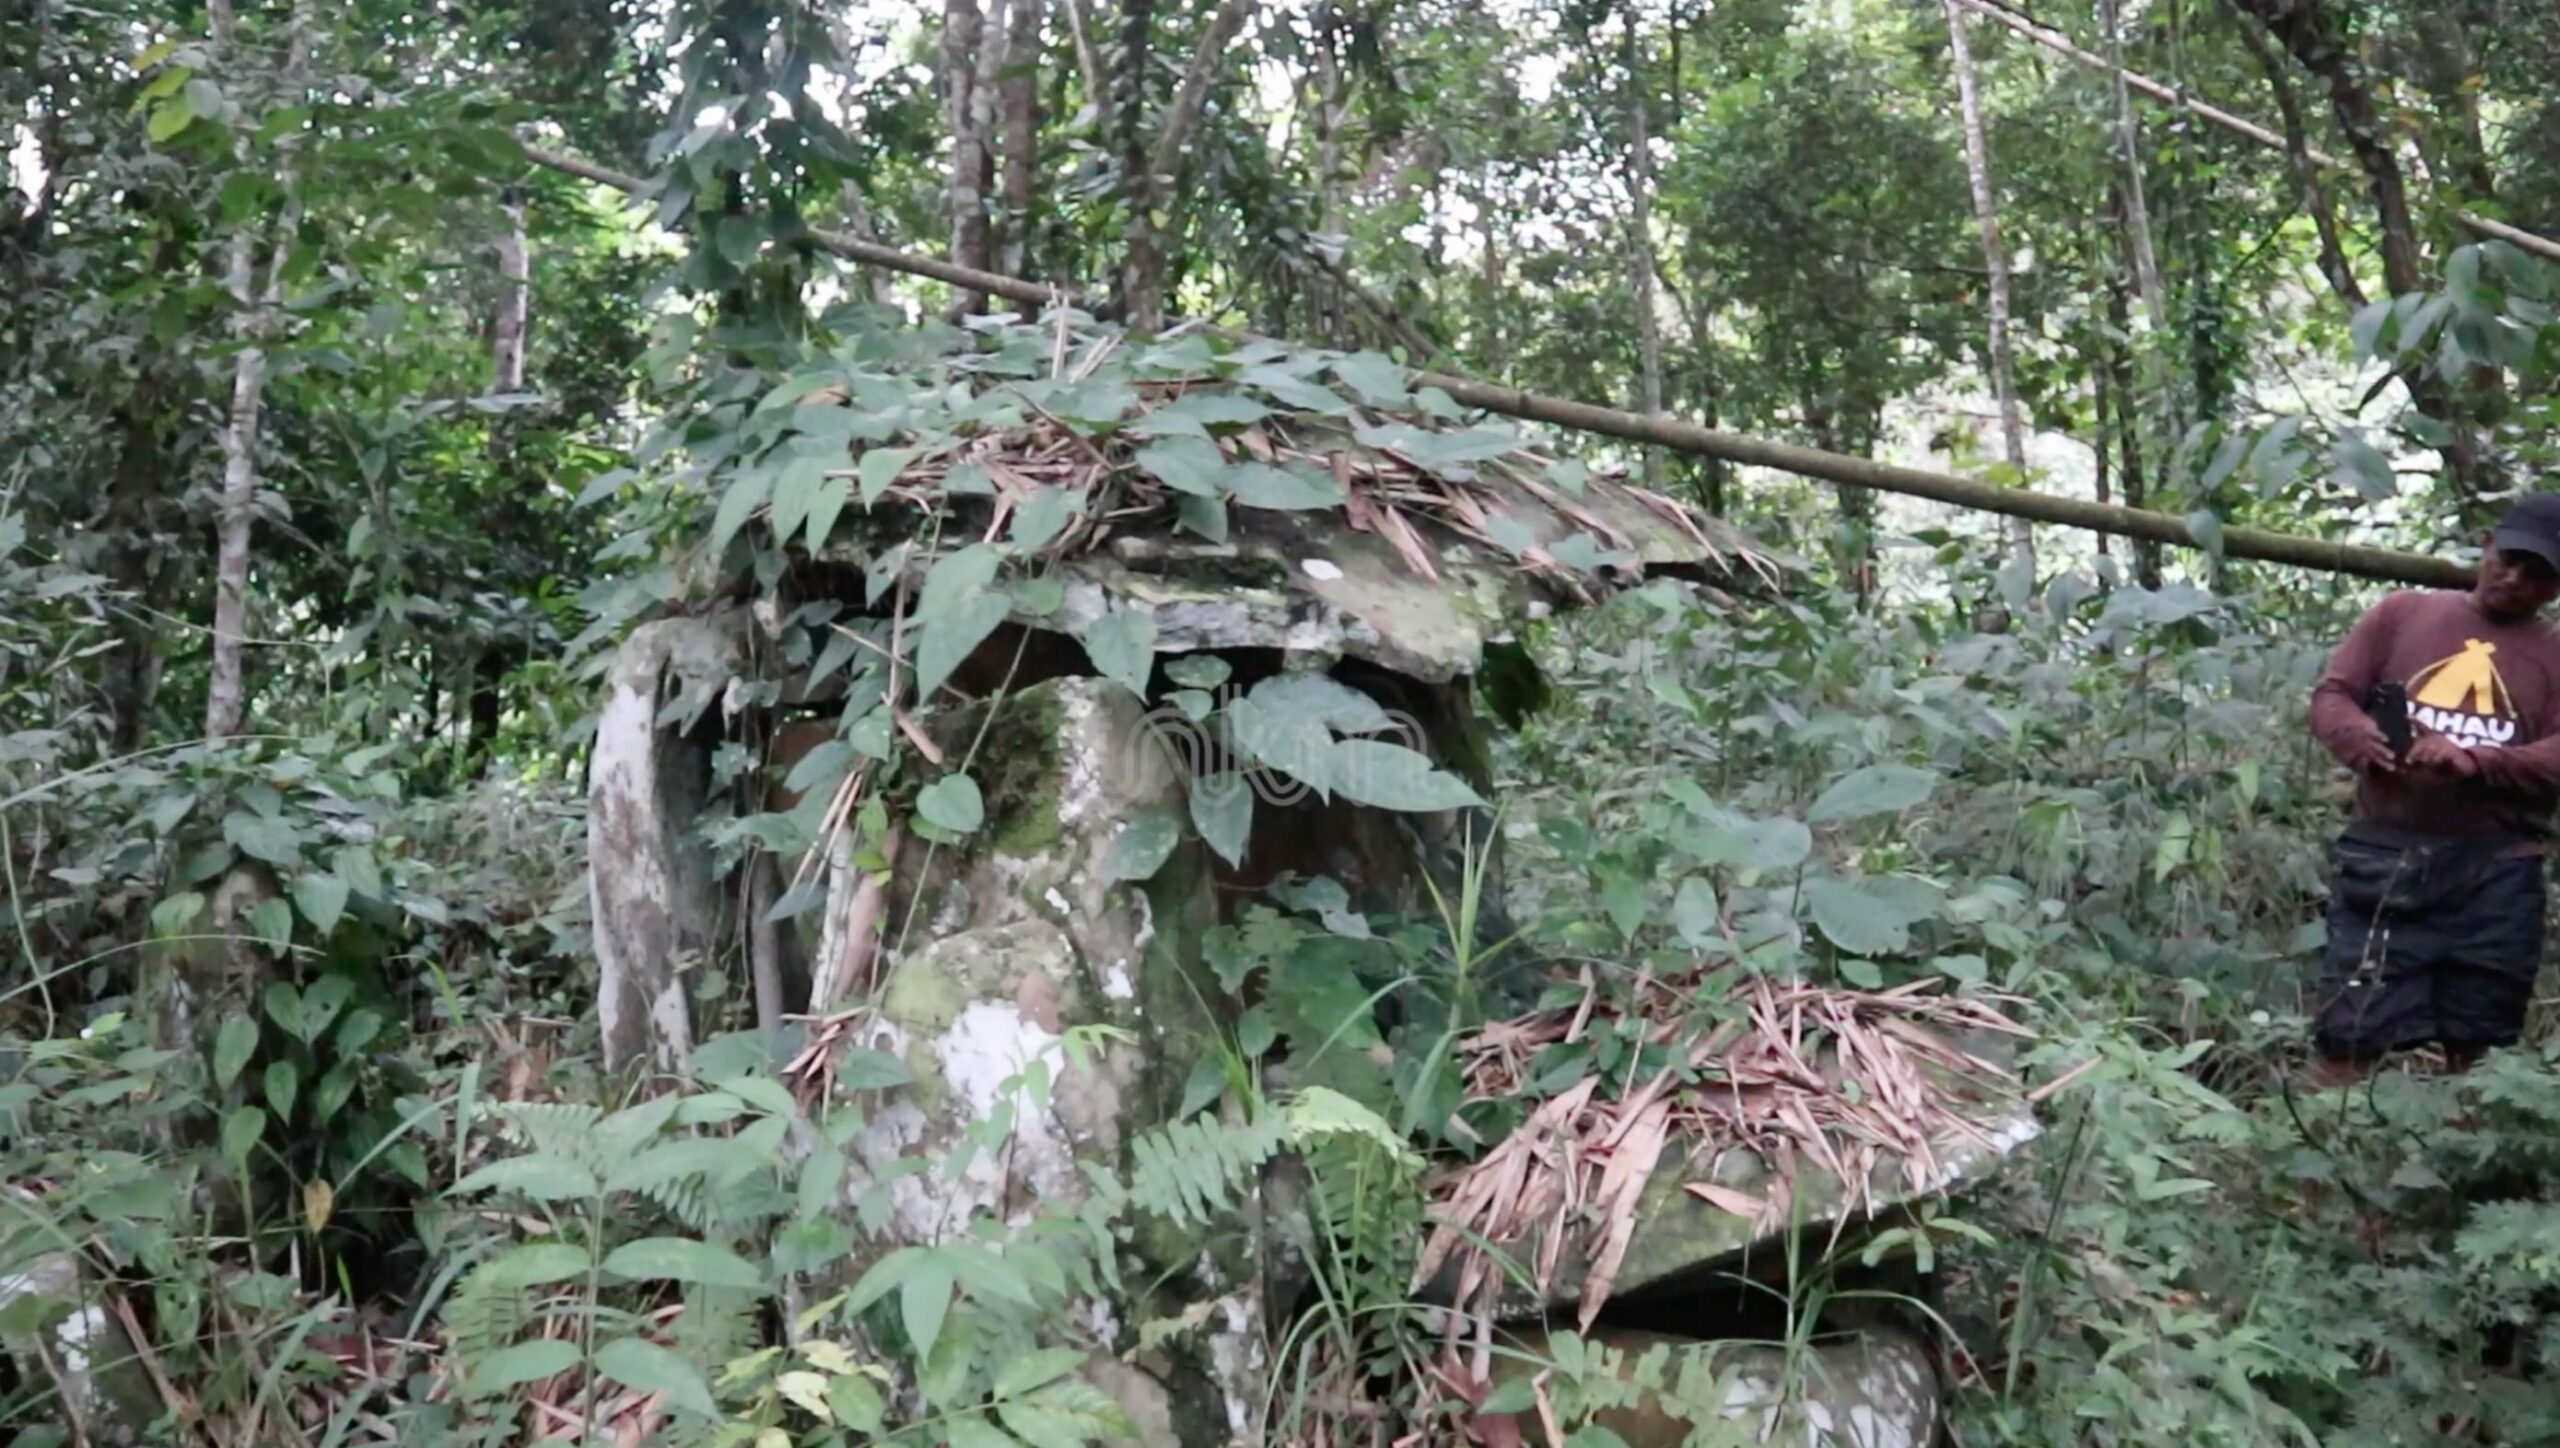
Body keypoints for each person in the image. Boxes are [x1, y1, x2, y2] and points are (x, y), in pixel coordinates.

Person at [2305, 493, 2560, 1085]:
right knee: (2348, 1034)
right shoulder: (2402, 614)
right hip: (2386, 856)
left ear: (2555, 588)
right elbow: (2333, 694)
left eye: (2538, 574)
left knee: (2482, 1045)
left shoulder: (2553, 653)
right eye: (2510, 560)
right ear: (2486, 547)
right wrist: (2360, 737)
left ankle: (2471, 1172)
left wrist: (2477, 760)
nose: (2514, 579)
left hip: (2497, 870)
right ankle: (2318, 1165)